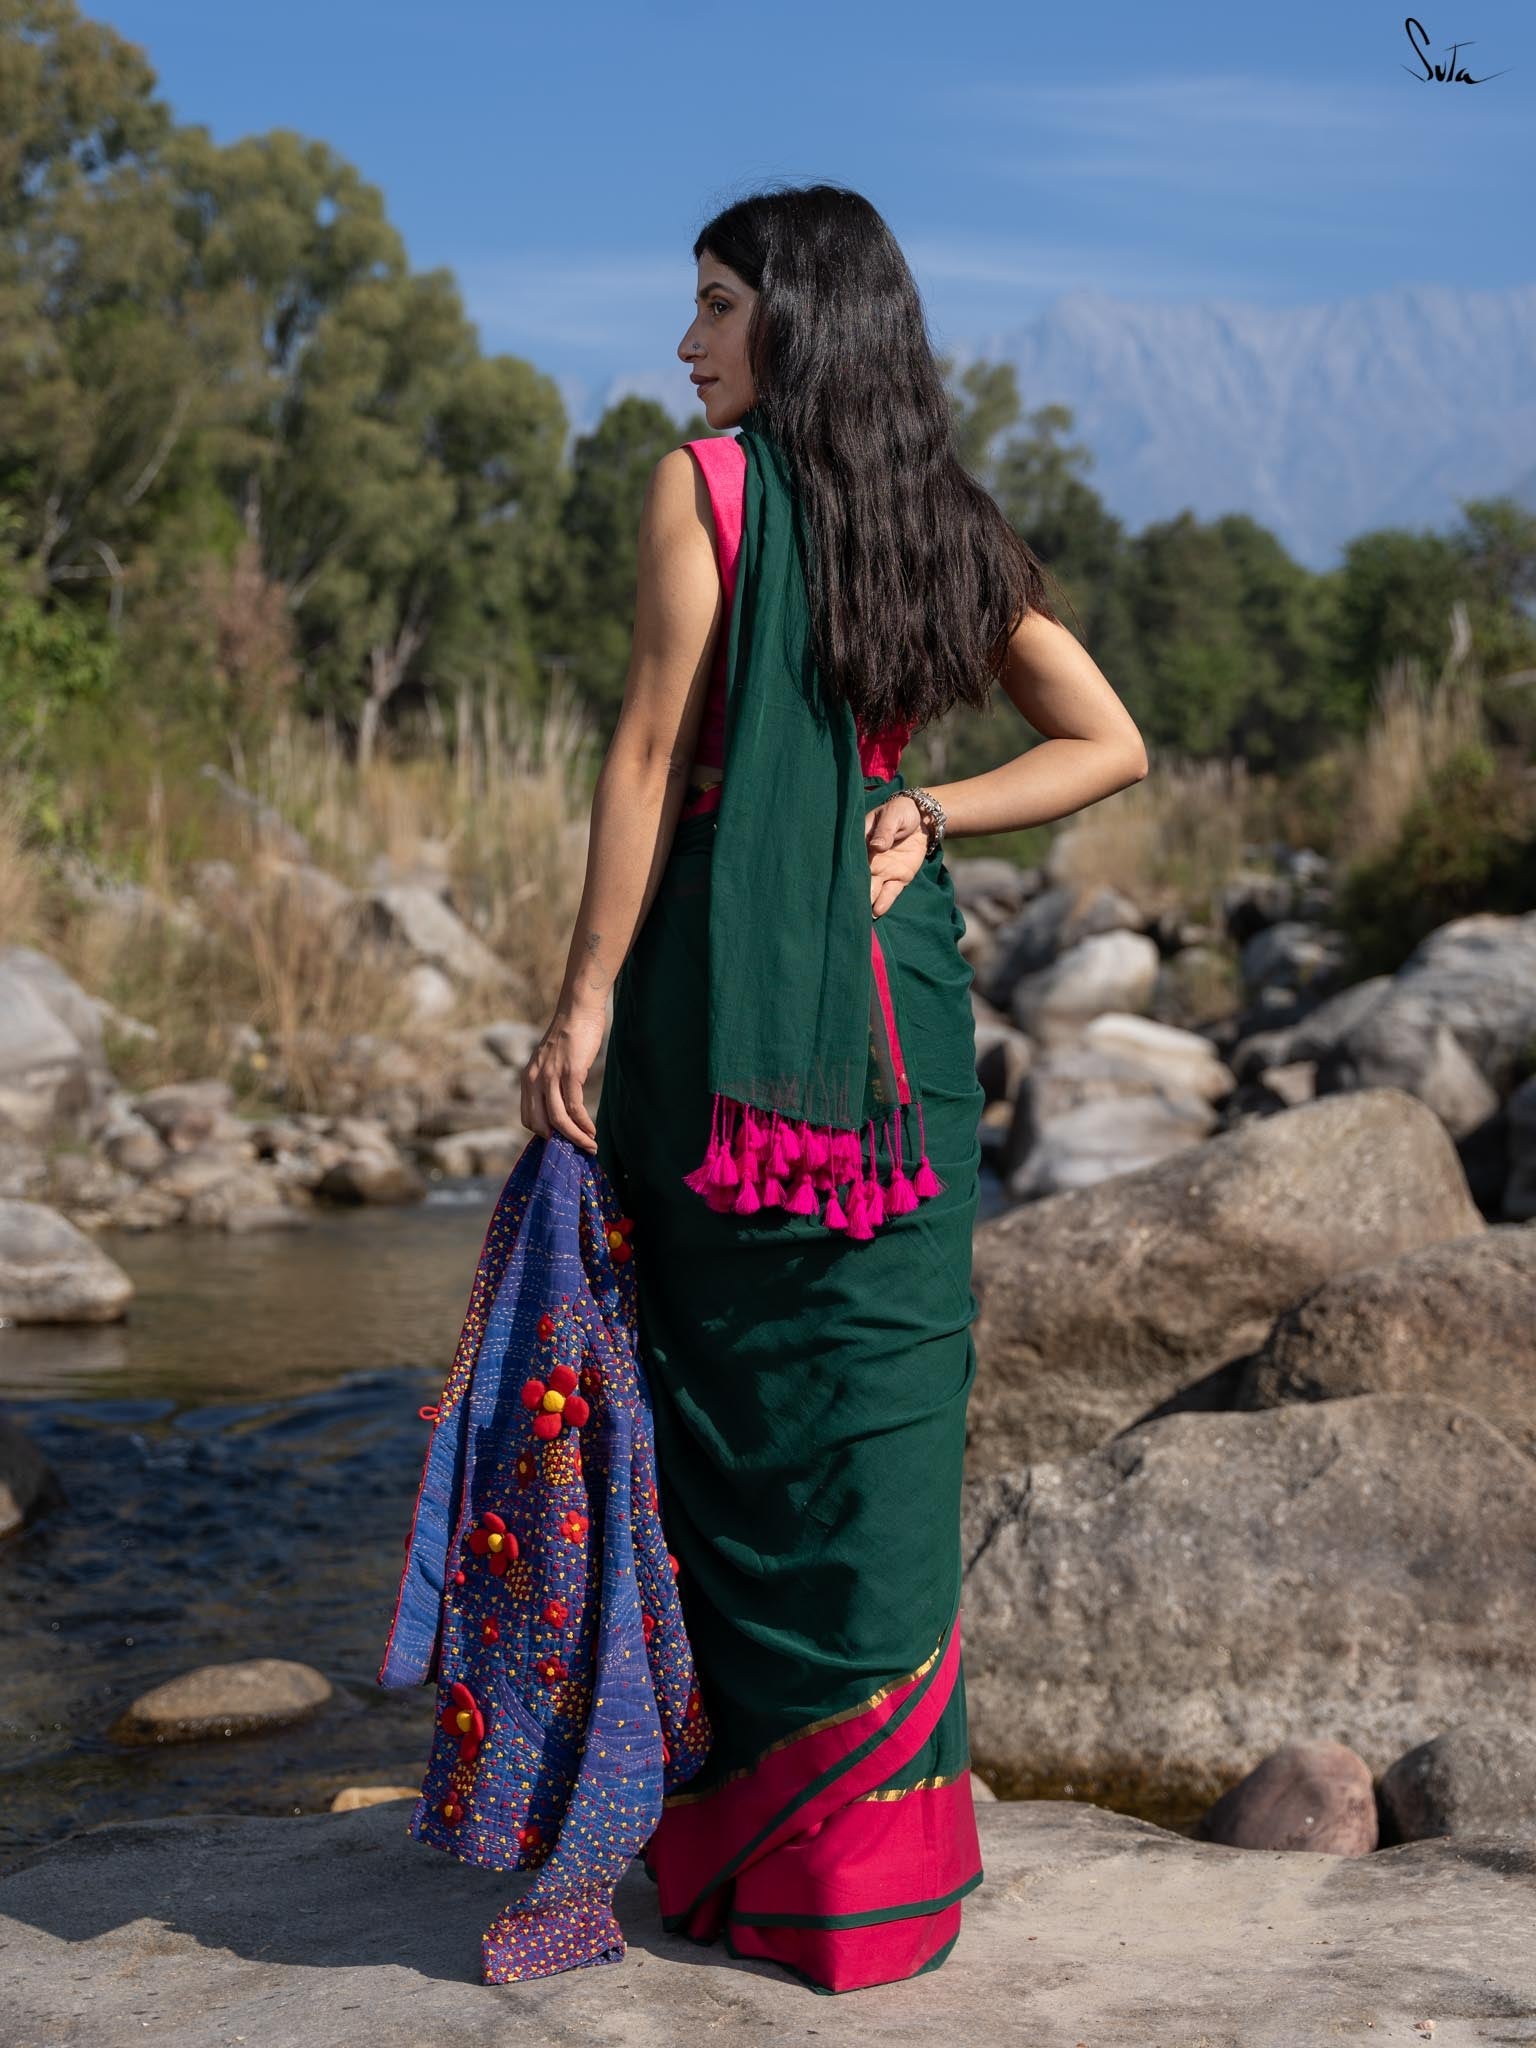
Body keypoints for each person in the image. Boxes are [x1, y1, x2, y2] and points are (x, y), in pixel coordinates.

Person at [520, 183, 1148, 1995]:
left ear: (802, 316)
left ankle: (748, 1850)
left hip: (726, 997)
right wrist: (928, 808)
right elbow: (1102, 741)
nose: (689, 342)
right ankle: (865, 1883)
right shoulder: (938, 515)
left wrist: (582, 1002)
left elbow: (650, 754)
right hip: (893, 1014)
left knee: (739, 1403)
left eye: (718, 304)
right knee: (869, 1405)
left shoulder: (708, 489)